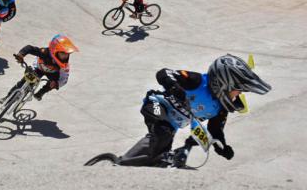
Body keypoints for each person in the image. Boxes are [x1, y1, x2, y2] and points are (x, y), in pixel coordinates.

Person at [116, 54, 272, 167]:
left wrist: (221, 147)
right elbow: (164, 73)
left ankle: (137, 166)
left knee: (162, 157)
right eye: (238, 90)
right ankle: (120, 166)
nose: (239, 94)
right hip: (156, 105)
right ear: (224, 83)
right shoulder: (197, 82)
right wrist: (174, 87)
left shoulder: (220, 109)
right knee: (162, 131)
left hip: (171, 125)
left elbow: (215, 130)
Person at [0, 34, 79, 104]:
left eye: (67, 55)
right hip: (38, 68)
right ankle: (7, 98)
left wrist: (56, 84)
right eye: (63, 54)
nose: (65, 57)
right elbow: (29, 48)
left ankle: (41, 92)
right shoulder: (44, 52)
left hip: (52, 74)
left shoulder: (65, 65)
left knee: (53, 83)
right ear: (55, 50)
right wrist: (21, 55)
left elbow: (64, 79)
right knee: (24, 81)